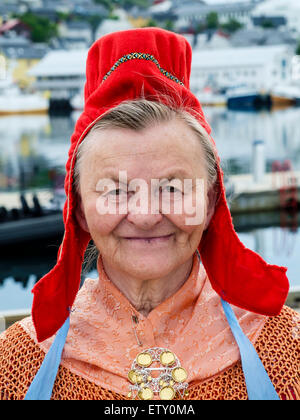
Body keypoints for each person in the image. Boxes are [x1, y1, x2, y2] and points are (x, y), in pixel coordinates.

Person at [0, 28, 299, 401]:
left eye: (173, 188)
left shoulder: (287, 348)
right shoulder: (18, 361)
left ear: (210, 203)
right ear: (77, 210)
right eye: (115, 190)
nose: (144, 215)